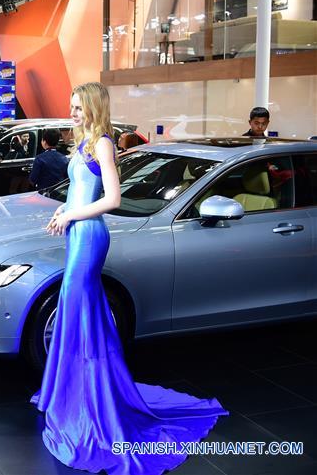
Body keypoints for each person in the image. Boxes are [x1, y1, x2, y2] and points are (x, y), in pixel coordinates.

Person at [33, 82, 227, 474]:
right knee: (77, 312)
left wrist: (71, 215)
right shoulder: (84, 142)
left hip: (89, 236)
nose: (71, 113)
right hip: (77, 233)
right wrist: (63, 214)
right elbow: (77, 192)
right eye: (70, 106)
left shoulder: (102, 143)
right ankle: (71, 394)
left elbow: (113, 199)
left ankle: (90, 403)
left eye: (77, 107)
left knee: (79, 310)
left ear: (93, 108)